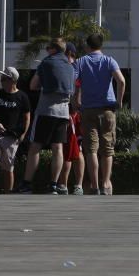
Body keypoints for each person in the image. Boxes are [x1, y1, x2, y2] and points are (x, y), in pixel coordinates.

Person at [16, 40, 74, 195]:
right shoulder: (70, 65)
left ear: (54, 49)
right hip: (63, 113)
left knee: (35, 146)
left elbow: (33, 85)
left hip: (46, 111)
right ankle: (54, 185)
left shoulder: (46, 63)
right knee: (58, 147)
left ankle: (27, 184)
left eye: (48, 48)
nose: (47, 50)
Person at [75, 33, 125, 195]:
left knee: (91, 150)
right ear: (101, 45)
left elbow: (74, 83)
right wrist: (119, 100)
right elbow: (121, 81)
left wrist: (76, 101)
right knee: (107, 149)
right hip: (107, 109)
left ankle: (94, 185)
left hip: (88, 109)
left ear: (87, 45)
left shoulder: (81, 62)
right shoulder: (109, 61)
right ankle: (106, 184)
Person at [0, 67, 31, 194]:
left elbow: (27, 117)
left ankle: (8, 193)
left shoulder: (22, 97)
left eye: (4, 78)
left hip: (11, 136)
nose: (2, 81)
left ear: (12, 80)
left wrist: (23, 135)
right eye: (2, 78)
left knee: (8, 168)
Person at [58, 42, 85, 195]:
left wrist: (74, 111)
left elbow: (77, 89)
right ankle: (70, 184)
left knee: (72, 149)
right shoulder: (71, 67)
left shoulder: (72, 67)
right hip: (68, 112)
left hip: (71, 114)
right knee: (71, 148)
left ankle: (68, 184)